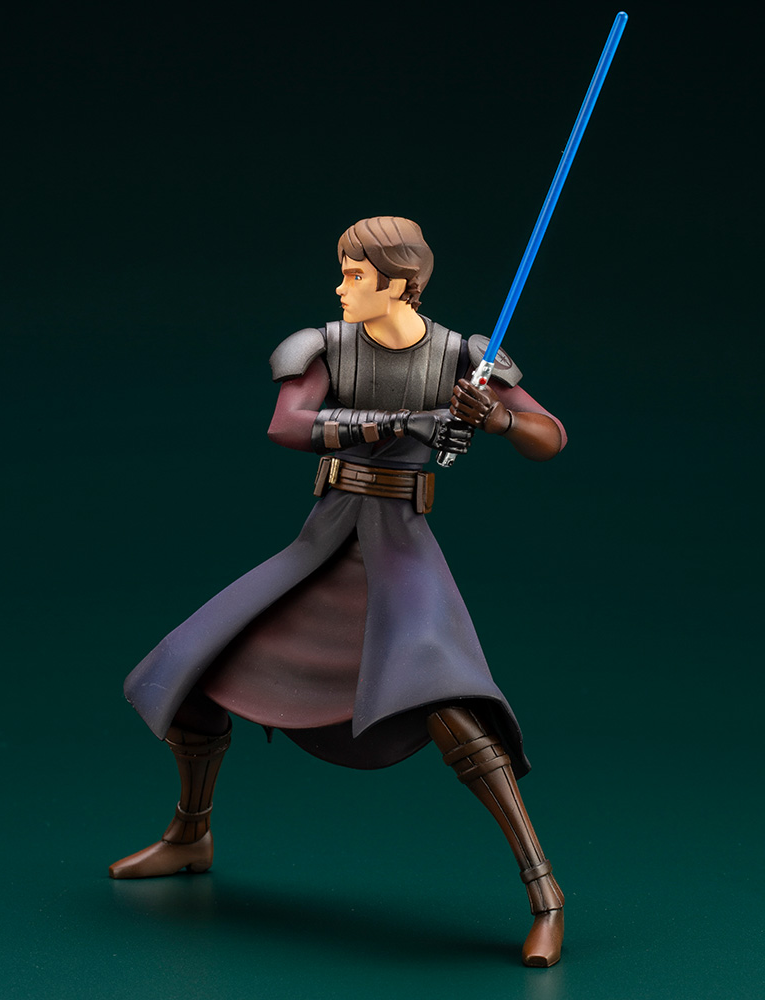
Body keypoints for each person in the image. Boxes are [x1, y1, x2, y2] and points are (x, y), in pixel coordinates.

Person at [110, 216, 567, 967]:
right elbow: (287, 426)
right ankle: (189, 835)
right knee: (198, 665)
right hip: (324, 540)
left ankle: (544, 894)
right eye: (344, 270)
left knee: (451, 708)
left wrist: (497, 419)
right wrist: (399, 420)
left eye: (355, 274)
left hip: (401, 547)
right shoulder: (325, 346)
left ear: (401, 283)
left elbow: (550, 437)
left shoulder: (466, 357)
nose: (341, 286)